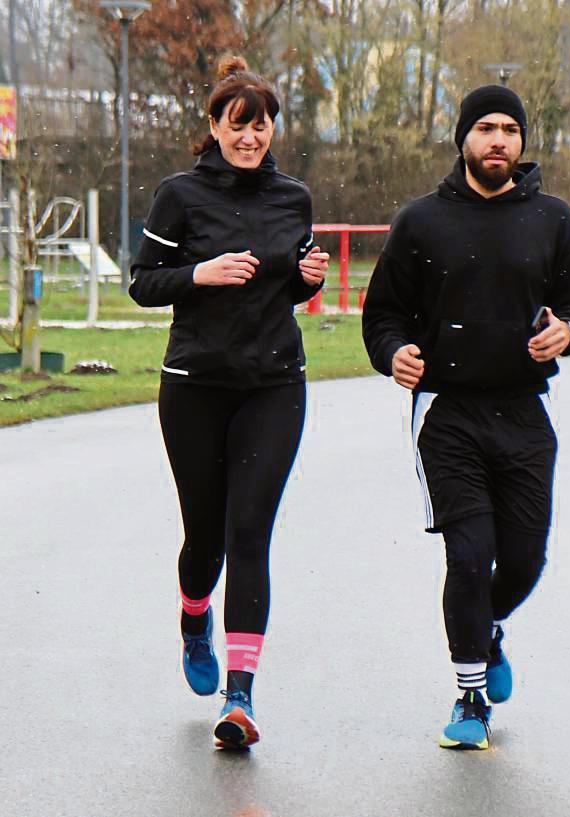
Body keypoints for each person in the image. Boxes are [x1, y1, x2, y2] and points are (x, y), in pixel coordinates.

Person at [362, 84, 570, 750]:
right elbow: (383, 315)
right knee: (469, 556)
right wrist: (395, 353)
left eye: (510, 129)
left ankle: (485, 627)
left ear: (523, 141)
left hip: (524, 412)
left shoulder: (552, 217)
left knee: (524, 559)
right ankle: (469, 693)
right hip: (447, 413)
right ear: (463, 137)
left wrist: (569, 330)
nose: (499, 139)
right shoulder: (421, 220)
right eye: (486, 128)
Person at [130, 55, 329, 749]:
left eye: (262, 124)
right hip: (194, 387)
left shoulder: (294, 197)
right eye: (238, 125)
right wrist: (200, 273)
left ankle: (239, 696)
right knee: (205, 539)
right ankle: (193, 614)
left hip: (275, 383)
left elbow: (293, 288)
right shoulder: (178, 196)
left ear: (274, 128)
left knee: (250, 531)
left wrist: (308, 277)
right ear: (213, 126)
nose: (251, 137)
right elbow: (143, 283)